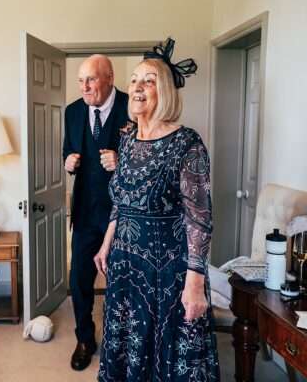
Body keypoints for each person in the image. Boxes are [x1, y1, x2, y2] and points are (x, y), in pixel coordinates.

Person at [94, 38, 221, 381]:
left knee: (169, 356)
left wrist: (194, 283)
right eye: (134, 80)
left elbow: (200, 218)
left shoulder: (186, 143)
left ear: (164, 90)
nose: (137, 87)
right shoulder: (127, 137)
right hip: (126, 267)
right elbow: (121, 200)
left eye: (148, 80)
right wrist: (107, 243)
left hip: (168, 270)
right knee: (127, 347)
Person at [63, 54, 130, 371]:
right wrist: (68, 162)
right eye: (80, 80)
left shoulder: (132, 107)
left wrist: (122, 162)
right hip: (86, 213)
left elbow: (148, 159)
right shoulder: (73, 112)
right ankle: (85, 338)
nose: (84, 86)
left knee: (121, 281)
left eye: (90, 79)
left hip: (123, 216)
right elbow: (68, 148)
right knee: (79, 280)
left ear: (109, 77)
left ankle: (121, 341)